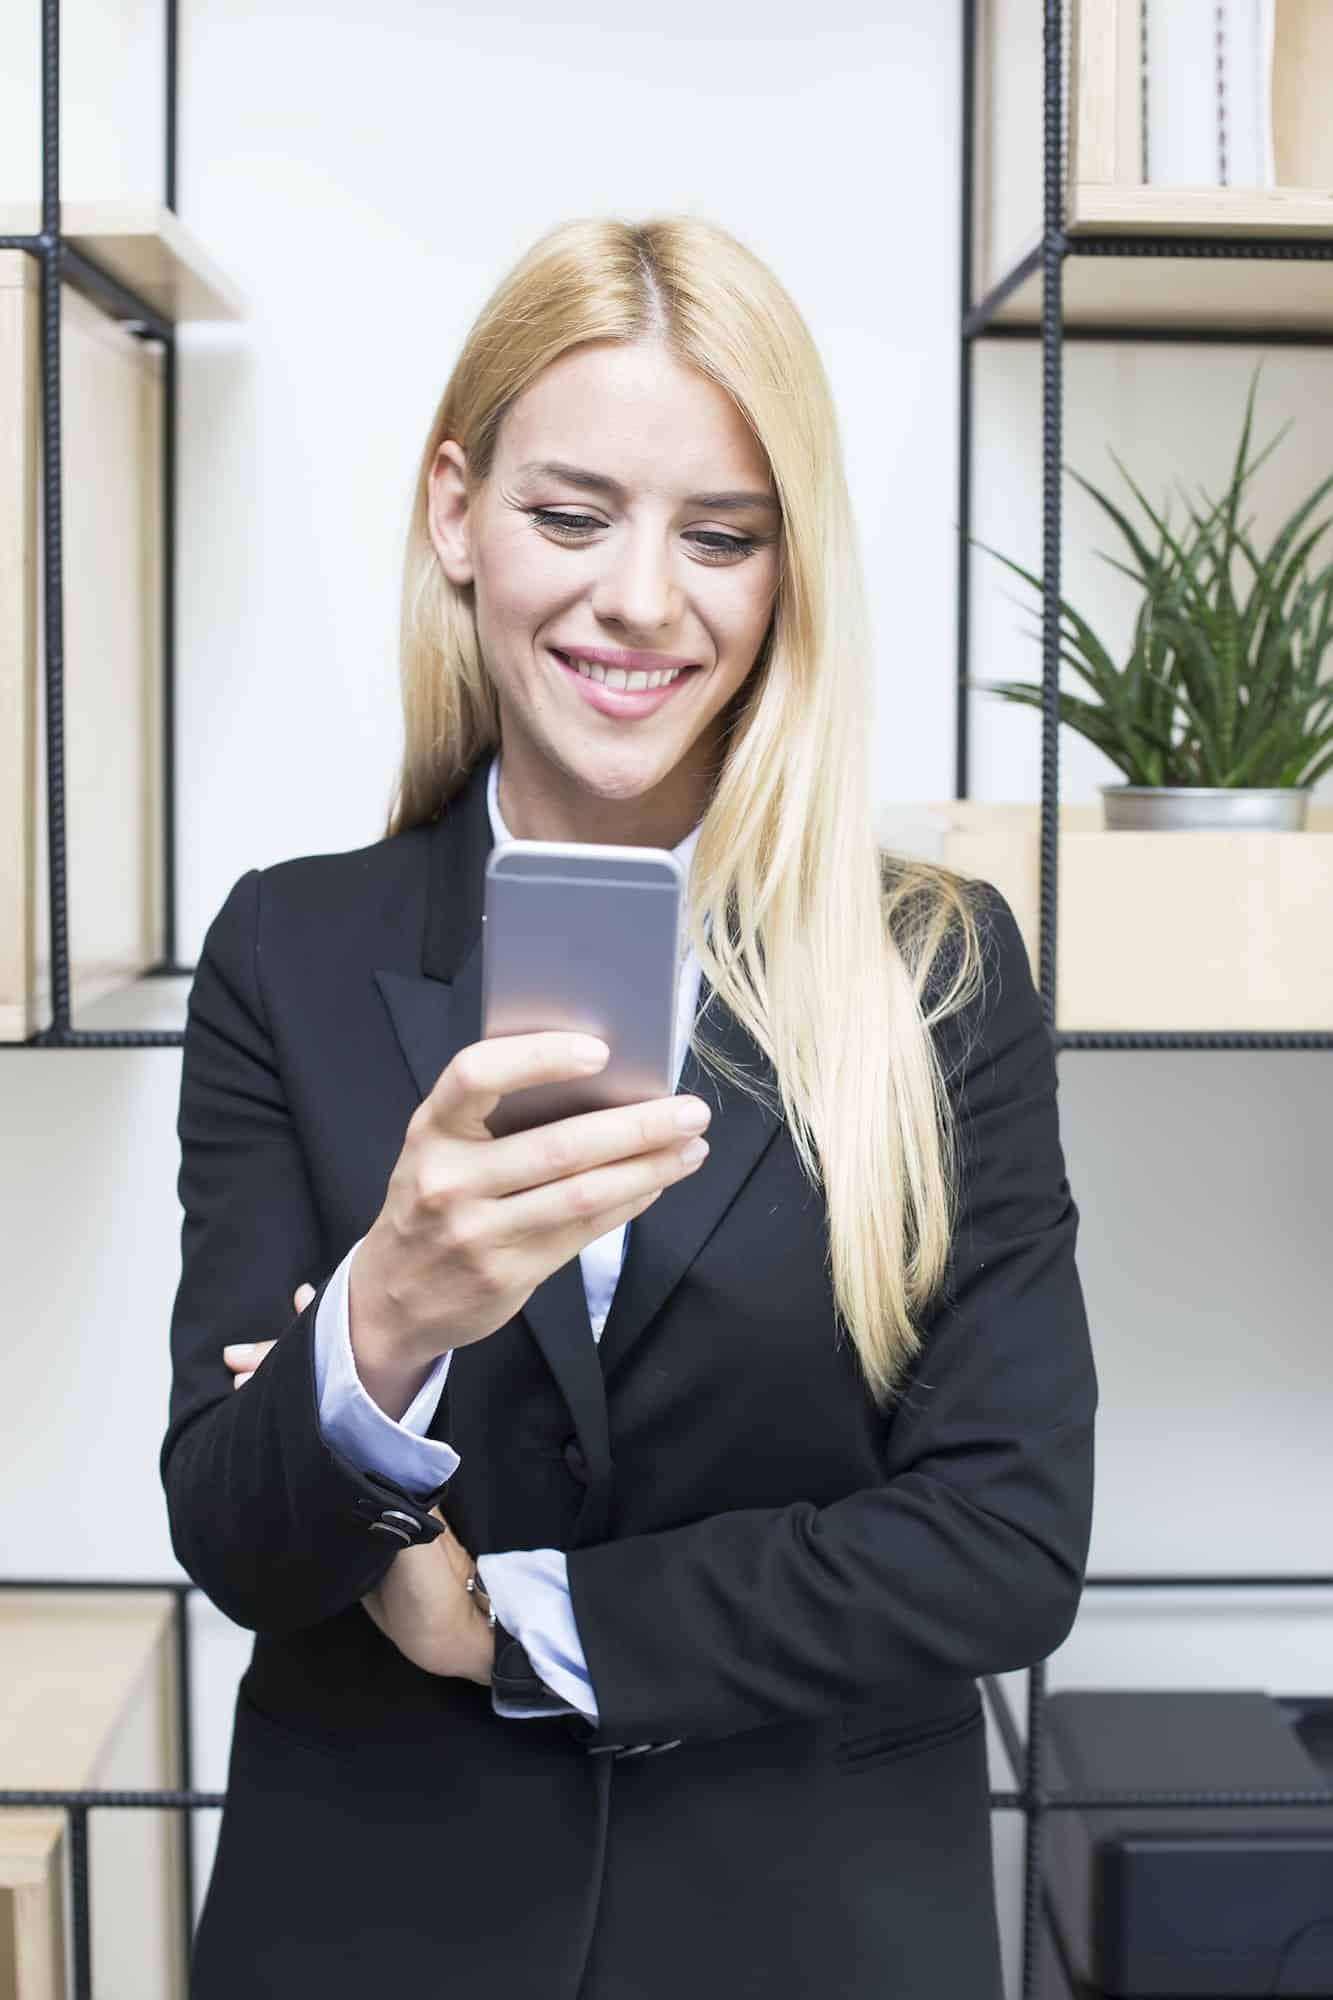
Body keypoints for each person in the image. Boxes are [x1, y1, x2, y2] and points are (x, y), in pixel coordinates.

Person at [161, 213, 1098, 2000]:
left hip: (809, 1922)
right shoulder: (288, 945)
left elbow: (1000, 1540)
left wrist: (510, 1623)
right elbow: (233, 1531)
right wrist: (386, 1323)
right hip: (374, 1920)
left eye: (721, 536)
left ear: (785, 570)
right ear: (459, 514)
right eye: (571, 515)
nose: (643, 600)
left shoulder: (938, 966)